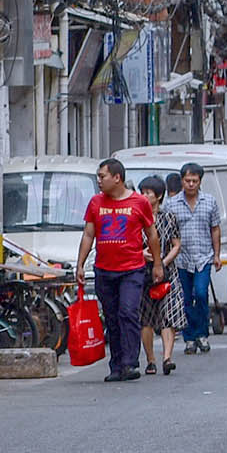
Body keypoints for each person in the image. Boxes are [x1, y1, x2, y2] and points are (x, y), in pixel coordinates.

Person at [81, 157, 158, 383]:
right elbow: (88, 234)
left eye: (102, 176)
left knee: (128, 312)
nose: (99, 181)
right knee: (112, 318)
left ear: (117, 178)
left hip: (132, 269)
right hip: (104, 270)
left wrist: (157, 263)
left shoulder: (139, 202)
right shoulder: (96, 203)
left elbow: (151, 234)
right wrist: (80, 264)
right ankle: (116, 365)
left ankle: (130, 363)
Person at [169, 162, 227, 354]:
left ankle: (202, 333)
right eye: (187, 181)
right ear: (182, 181)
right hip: (181, 259)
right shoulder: (172, 204)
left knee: (201, 294)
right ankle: (189, 337)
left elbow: (215, 229)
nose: (191, 184)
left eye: (195, 181)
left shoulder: (209, 202)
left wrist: (217, 255)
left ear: (200, 181)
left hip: (203, 257)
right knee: (185, 298)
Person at [143, 176, 184, 377]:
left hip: (168, 272)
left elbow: (176, 244)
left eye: (148, 193)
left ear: (158, 196)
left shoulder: (169, 217)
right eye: (142, 192)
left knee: (169, 313)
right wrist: (143, 255)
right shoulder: (136, 217)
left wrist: (163, 261)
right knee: (146, 318)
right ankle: (150, 359)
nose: (144, 196)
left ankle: (167, 357)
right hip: (143, 272)